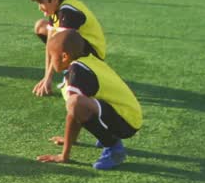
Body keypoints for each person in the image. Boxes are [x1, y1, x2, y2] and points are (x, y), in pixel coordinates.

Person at [38, 30, 141, 170]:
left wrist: (64, 155)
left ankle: (114, 147)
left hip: (126, 123)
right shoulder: (87, 60)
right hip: (129, 115)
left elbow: (73, 110)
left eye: (52, 56)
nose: (50, 60)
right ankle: (108, 134)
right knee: (77, 102)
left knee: (74, 102)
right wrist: (71, 139)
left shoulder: (76, 73)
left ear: (64, 56)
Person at [31, 0, 108, 97]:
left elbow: (60, 45)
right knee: (40, 26)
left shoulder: (68, 11)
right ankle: (69, 67)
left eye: (41, 2)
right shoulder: (56, 8)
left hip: (93, 53)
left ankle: (75, 71)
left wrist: (49, 78)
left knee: (63, 42)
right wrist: (47, 77)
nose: (39, 7)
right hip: (79, 45)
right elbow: (51, 43)